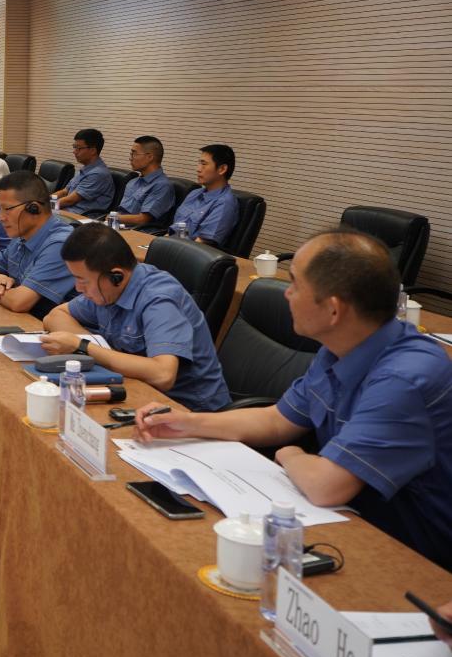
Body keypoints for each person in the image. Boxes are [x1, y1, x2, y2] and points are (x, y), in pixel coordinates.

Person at [136, 230, 452, 569]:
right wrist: (186, 423)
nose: (287, 294)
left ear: (333, 310)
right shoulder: (340, 346)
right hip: (347, 522)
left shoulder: (405, 377)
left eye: (295, 284)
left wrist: (290, 454)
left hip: (413, 555)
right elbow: (277, 419)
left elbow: (326, 486)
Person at [42, 225, 230, 412]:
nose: (78, 288)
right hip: (137, 392)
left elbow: (163, 375)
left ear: (116, 276)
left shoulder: (159, 299)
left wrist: (83, 346)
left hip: (190, 410)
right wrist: (91, 346)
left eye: (83, 280)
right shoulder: (107, 289)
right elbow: (56, 316)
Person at [0, 171, 77, 318]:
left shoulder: (60, 245)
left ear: (33, 208)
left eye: (7, 209)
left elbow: (19, 302)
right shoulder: (21, 236)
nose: (0, 217)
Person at [171, 144, 240, 246]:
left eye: (204, 164)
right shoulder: (194, 194)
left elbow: (200, 246)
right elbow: (175, 232)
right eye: (199, 163)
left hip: (187, 252)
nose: (198, 169)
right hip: (172, 245)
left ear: (222, 169)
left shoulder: (225, 203)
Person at [114, 136, 174, 231]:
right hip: (118, 227)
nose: (130, 158)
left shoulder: (162, 186)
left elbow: (143, 219)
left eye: (134, 154)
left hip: (138, 233)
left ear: (149, 157)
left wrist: (113, 217)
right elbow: (121, 211)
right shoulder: (133, 182)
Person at [53, 128, 114, 217]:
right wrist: (44, 200)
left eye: (78, 148)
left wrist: (46, 206)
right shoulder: (86, 169)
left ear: (93, 150)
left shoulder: (98, 174)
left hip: (80, 218)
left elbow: (70, 200)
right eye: (74, 147)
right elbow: (64, 191)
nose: (74, 152)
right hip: (66, 212)